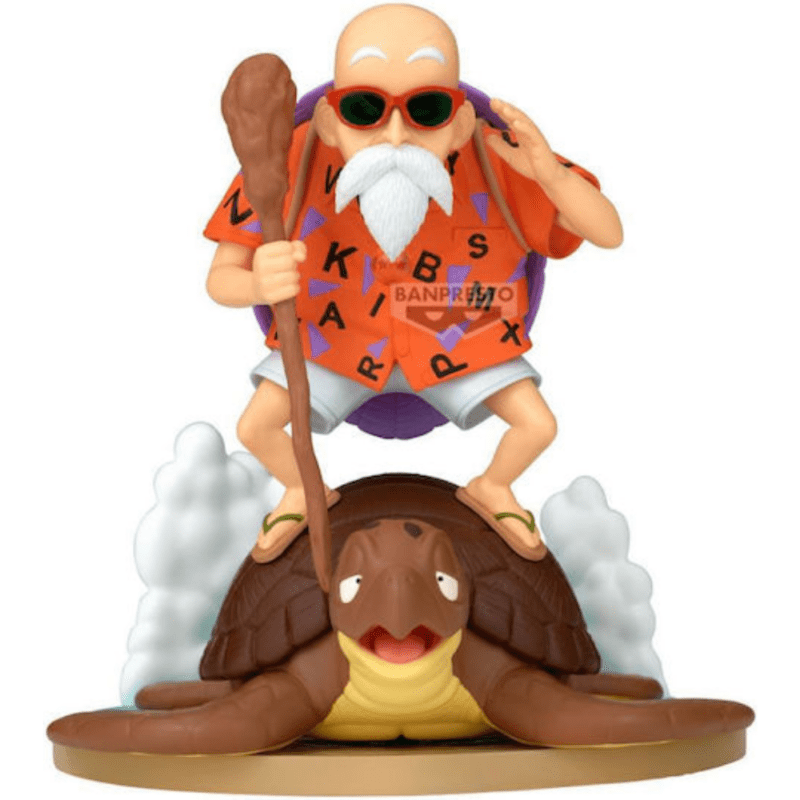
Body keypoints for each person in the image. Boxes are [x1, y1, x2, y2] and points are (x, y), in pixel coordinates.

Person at [204, 4, 623, 562]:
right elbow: (220, 279)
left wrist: (547, 173)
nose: (396, 135)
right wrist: (257, 284)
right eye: (364, 109)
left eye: (427, 110)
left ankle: (493, 487)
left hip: (460, 333)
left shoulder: (499, 161)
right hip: (332, 342)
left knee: (538, 426)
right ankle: (302, 490)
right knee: (255, 427)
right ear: (329, 119)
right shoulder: (290, 163)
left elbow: (608, 232)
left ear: (459, 122)